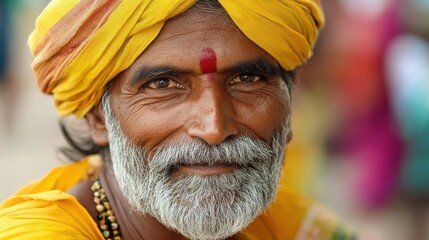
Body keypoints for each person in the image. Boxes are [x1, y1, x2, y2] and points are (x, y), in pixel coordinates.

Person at [0, 0, 355, 239]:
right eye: (163, 84)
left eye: (247, 80)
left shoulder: (296, 228)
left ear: (291, 103)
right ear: (98, 117)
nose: (214, 129)